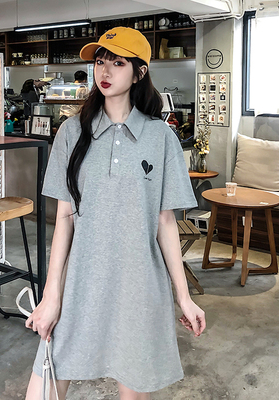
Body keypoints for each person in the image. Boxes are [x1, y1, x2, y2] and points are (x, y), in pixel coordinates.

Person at [25, 26, 206, 400]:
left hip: (139, 287)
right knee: (43, 386)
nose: (104, 71)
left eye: (117, 63)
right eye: (99, 62)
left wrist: (184, 296)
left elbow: (165, 222)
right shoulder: (71, 132)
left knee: (133, 387)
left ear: (139, 72)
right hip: (80, 282)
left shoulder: (161, 137)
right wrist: (51, 295)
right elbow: (64, 221)